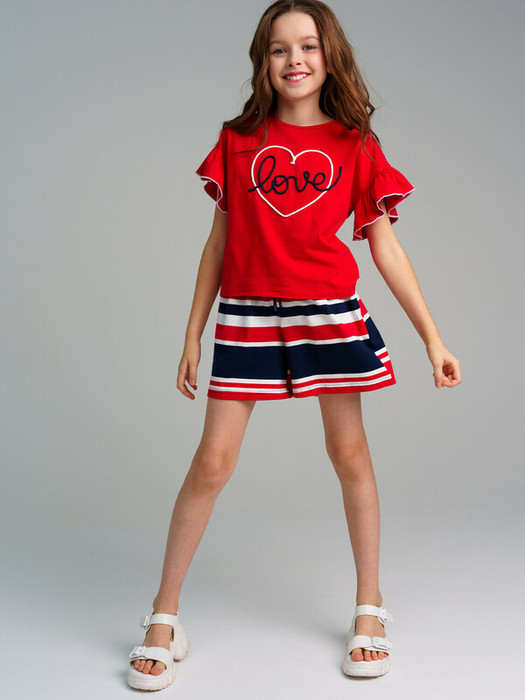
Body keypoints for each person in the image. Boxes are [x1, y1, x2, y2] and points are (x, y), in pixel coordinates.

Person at [127, 0, 461, 690]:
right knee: (212, 462)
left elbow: (385, 248)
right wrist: (191, 333)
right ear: (263, 62)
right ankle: (164, 615)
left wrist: (432, 337)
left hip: (328, 314)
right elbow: (218, 243)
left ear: (329, 57)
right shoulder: (237, 140)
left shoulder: (354, 144)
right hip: (247, 316)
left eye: (307, 46)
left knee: (349, 454)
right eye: (279, 49)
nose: (294, 60)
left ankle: (369, 607)